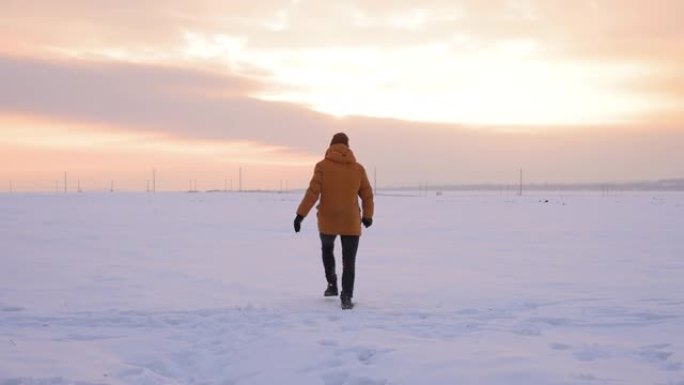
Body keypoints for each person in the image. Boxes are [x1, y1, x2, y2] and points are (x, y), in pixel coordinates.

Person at [293, 132, 374, 309]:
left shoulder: (322, 166)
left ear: (331, 146)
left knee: (327, 249)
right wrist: (368, 215)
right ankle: (346, 296)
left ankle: (332, 283)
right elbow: (367, 195)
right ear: (348, 147)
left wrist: (300, 215)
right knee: (349, 260)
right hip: (351, 222)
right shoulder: (358, 169)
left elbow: (312, 193)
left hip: (327, 220)